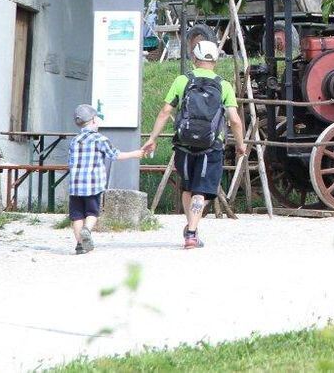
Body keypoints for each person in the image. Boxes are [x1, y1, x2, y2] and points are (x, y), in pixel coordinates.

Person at [143, 39, 245, 249]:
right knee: (203, 191)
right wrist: (241, 145)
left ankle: (191, 226)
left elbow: (165, 112)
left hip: (183, 144)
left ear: (194, 58)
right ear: (216, 60)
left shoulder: (182, 81)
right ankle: (191, 232)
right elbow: (234, 120)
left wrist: (152, 139)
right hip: (211, 146)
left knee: (188, 188)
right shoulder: (223, 85)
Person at [67, 104, 144, 254]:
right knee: (92, 212)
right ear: (94, 120)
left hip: (75, 186)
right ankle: (87, 230)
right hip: (93, 184)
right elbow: (115, 155)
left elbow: (70, 162)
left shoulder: (74, 141)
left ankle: (80, 245)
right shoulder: (100, 139)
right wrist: (135, 153)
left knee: (77, 215)